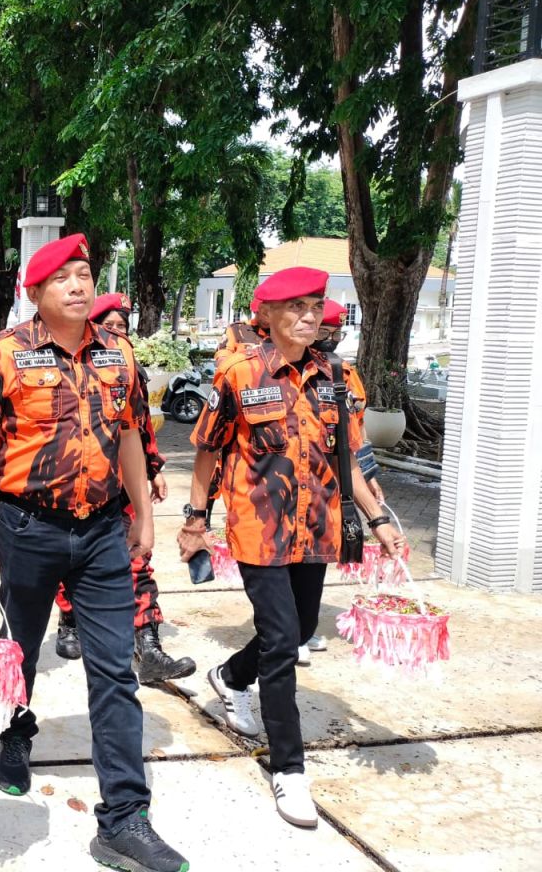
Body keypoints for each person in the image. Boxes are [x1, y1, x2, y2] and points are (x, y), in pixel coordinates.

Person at [0, 235, 188, 872]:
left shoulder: (119, 355)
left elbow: (131, 437)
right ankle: (15, 734)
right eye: (63, 278)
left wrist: (142, 512)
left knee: (115, 671)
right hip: (27, 527)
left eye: (84, 274)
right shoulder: (5, 354)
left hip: (102, 533)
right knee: (19, 649)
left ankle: (123, 819)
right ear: (36, 293)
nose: (79, 286)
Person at [177, 266, 403, 829]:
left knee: (299, 630)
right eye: (296, 307)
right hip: (259, 528)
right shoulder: (238, 373)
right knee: (282, 642)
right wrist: (195, 519)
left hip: (317, 527)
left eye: (315, 307)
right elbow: (207, 449)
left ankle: (229, 677)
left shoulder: (334, 377)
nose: (309, 317)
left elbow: (346, 459)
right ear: (268, 315)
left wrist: (378, 519)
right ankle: (290, 769)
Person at [51, 292, 195, 685]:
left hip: (123, 488)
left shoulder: (127, 369)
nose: (118, 333)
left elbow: (140, 426)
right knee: (70, 559)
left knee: (137, 562)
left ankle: (147, 645)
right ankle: (70, 619)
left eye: (123, 328)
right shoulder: (69, 368)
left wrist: (153, 469)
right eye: (110, 326)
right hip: (76, 487)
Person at [296, 298, 385, 664]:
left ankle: (305, 627)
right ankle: (289, 632)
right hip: (293, 482)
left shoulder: (345, 374)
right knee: (290, 560)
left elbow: (356, 432)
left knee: (317, 560)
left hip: (332, 485)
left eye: (336, 332)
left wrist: (370, 476)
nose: (329, 339)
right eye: (324, 332)